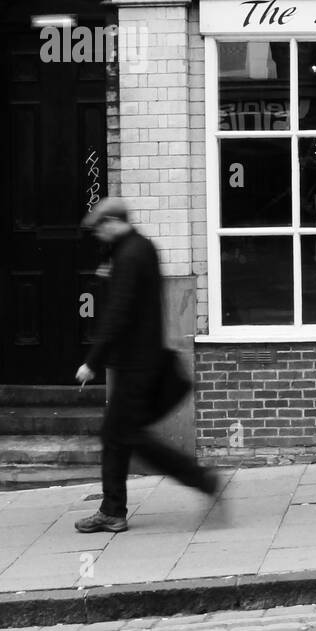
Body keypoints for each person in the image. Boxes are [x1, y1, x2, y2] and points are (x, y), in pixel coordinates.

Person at [74, 197, 221, 533]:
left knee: (127, 437)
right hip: (142, 359)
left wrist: (92, 362)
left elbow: (118, 312)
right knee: (120, 436)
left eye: (99, 229)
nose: (97, 236)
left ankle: (201, 480)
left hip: (135, 363)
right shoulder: (139, 248)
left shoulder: (130, 254)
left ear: (112, 222)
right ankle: (113, 509)